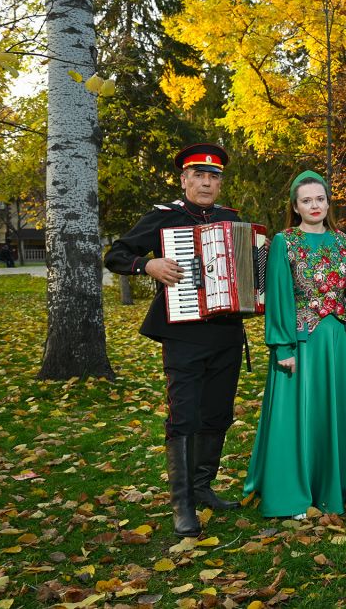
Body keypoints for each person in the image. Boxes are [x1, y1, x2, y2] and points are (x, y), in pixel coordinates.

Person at [104, 143, 245, 537]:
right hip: (183, 334)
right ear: (184, 180)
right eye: (199, 176)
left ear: (220, 183)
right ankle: (182, 505)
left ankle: (202, 487)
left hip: (227, 332)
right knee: (183, 415)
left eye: (213, 177)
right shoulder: (164, 218)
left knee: (217, 412)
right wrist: (146, 264)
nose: (206, 183)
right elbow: (115, 255)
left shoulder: (232, 220)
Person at [241, 171, 346, 518]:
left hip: (338, 342)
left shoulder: (342, 240)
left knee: (337, 411)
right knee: (300, 415)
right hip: (302, 342)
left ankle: (343, 486)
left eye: (320, 199)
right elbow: (279, 296)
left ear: (328, 203)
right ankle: (294, 492)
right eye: (306, 200)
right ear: (295, 207)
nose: (314, 205)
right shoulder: (284, 241)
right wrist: (282, 346)